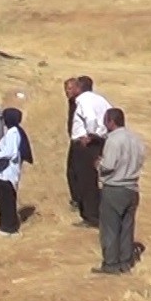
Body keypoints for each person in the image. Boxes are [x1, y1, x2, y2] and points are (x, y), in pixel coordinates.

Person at [94, 107, 145, 274]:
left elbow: (108, 166)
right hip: (132, 188)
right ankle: (125, 262)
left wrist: (98, 165)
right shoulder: (136, 139)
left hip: (115, 188)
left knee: (110, 228)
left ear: (111, 121)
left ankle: (111, 264)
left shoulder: (114, 140)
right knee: (127, 228)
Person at [0, 107, 33, 236]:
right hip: (3, 173)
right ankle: (4, 227)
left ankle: (9, 228)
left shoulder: (13, 133)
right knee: (4, 201)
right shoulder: (12, 132)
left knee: (8, 201)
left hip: (8, 173)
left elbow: (10, 152)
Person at [69, 75, 113, 228]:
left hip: (86, 144)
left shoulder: (83, 100)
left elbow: (90, 118)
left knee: (84, 179)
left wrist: (90, 134)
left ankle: (90, 216)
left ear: (79, 88)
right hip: (100, 141)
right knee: (92, 177)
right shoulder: (101, 99)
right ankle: (94, 212)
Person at [64, 78, 81, 212]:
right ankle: (75, 198)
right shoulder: (71, 101)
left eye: (69, 89)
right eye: (66, 89)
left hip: (81, 140)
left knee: (77, 171)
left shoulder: (80, 102)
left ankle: (79, 199)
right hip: (74, 139)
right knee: (71, 171)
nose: (67, 92)